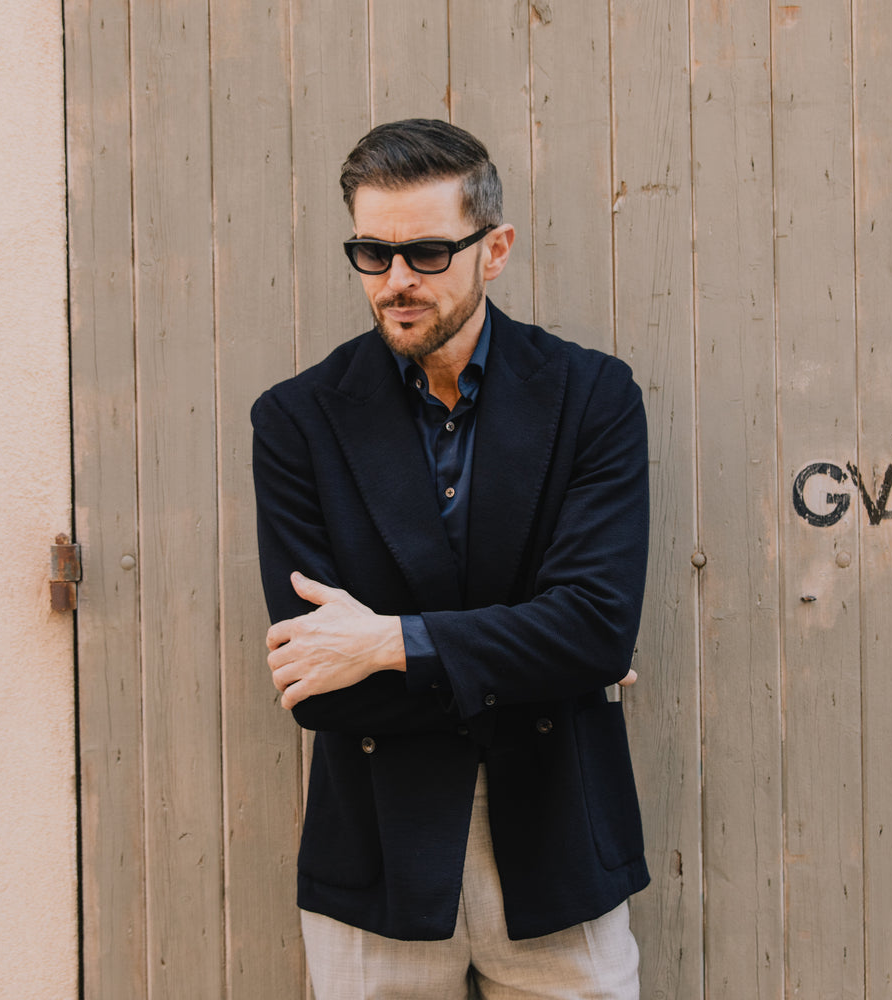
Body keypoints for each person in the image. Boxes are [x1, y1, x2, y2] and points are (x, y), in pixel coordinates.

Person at [251, 118, 650, 999]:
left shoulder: (593, 398)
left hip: (556, 840)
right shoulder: (297, 421)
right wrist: (526, 653)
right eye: (372, 252)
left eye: (428, 253)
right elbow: (319, 683)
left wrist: (391, 641)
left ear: (494, 247)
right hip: (379, 855)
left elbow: (595, 631)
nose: (396, 282)